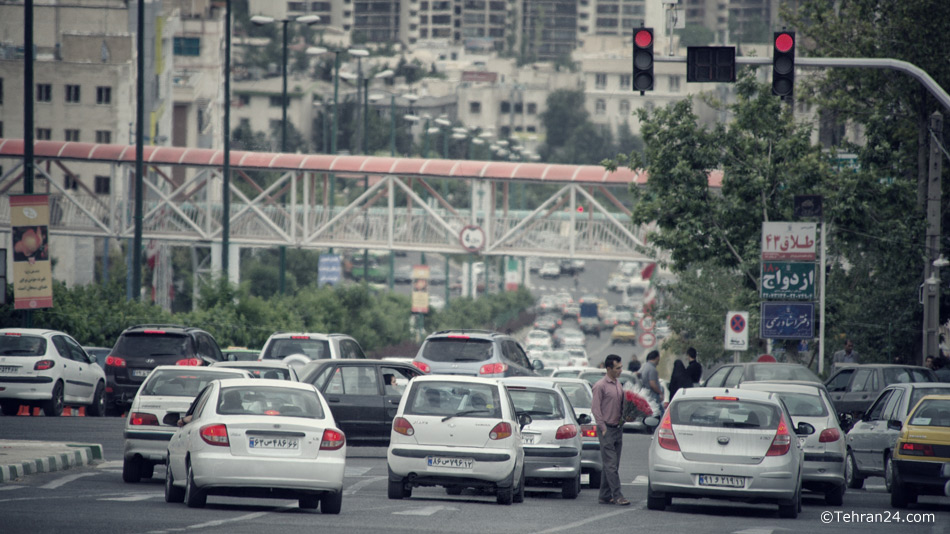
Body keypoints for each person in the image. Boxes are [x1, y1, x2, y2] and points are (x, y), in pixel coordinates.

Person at [591, 354, 630, 506]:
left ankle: (604, 495)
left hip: (618, 428)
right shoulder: (600, 386)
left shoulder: (618, 384)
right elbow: (595, 409)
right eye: (617, 368)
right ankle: (617, 495)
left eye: (621, 367)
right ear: (608, 369)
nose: (621, 370)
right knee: (611, 464)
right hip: (606, 429)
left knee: (612, 465)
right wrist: (603, 428)